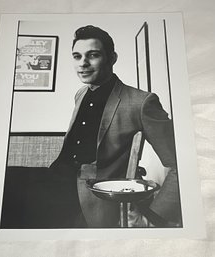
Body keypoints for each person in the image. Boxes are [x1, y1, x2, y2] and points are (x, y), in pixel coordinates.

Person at [49, 25, 182, 228]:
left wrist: (155, 217)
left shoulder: (142, 102)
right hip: (55, 184)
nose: (83, 63)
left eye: (92, 55)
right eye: (77, 56)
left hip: (92, 199)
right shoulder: (80, 94)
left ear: (112, 58)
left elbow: (180, 164)